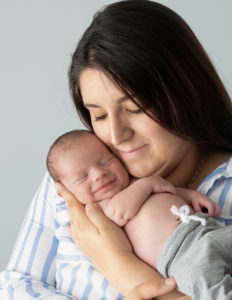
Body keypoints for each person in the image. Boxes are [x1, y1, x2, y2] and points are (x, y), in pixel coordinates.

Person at [1, 0, 232, 299]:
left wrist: (121, 267)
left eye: (135, 108)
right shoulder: (76, 178)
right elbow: (16, 285)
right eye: (98, 115)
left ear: (186, 91)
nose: (116, 135)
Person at [46, 129, 232, 300]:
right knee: (209, 286)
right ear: (66, 191)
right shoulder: (99, 210)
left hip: (208, 231)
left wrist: (192, 196)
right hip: (184, 258)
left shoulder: (135, 182)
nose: (99, 174)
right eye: (83, 177)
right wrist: (148, 184)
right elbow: (119, 213)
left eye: (105, 161)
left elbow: (168, 191)